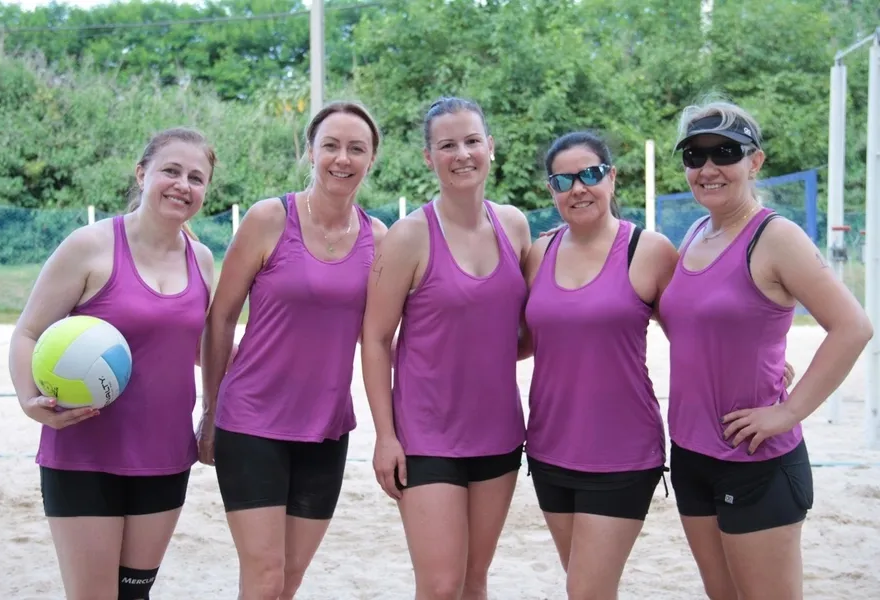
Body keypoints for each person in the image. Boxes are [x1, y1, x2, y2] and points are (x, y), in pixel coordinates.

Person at [659, 97, 873, 600]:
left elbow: (853, 327)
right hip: (691, 452)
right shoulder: (695, 233)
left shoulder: (775, 237)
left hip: (756, 458)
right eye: (694, 155)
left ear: (754, 161)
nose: (708, 167)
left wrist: (789, 411)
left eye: (725, 152)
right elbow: (698, 325)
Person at [8, 127, 216, 600]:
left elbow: (200, 348)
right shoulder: (90, 246)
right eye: (171, 170)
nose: (183, 184)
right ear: (142, 174)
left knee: (133, 595)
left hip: (165, 455)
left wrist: (219, 412)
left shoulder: (201, 259)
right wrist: (28, 399)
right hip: (84, 451)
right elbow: (27, 333)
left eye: (196, 177)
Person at [197, 101, 387, 600]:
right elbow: (220, 319)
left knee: (290, 579)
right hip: (251, 422)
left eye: (356, 148)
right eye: (330, 145)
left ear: (372, 160)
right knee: (263, 577)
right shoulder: (268, 219)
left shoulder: (379, 239)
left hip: (326, 428)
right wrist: (210, 411)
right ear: (310, 151)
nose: (341, 158)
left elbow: (383, 339)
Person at [361, 96, 532, 600]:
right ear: (427, 157)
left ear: (491, 148)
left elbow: (525, 330)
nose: (462, 154)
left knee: (474, 581)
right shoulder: (409, 236)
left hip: (499, 433)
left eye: (472, 141)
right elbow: (374, 339)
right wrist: (386, 437)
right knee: (439, 585)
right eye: (447, 144)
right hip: (427, 437)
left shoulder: (515, 227)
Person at [520, 131, 678, 599]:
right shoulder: (538, 254)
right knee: (585, 588)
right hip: (549, 447)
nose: (578, 188)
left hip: (622, 451)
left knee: (586, 591)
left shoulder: (648, 250)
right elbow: (522, 342)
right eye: (563, 179)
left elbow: (692, 334)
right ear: (551, 190)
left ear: (611, 177)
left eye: (590, 174)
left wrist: (760, 362)